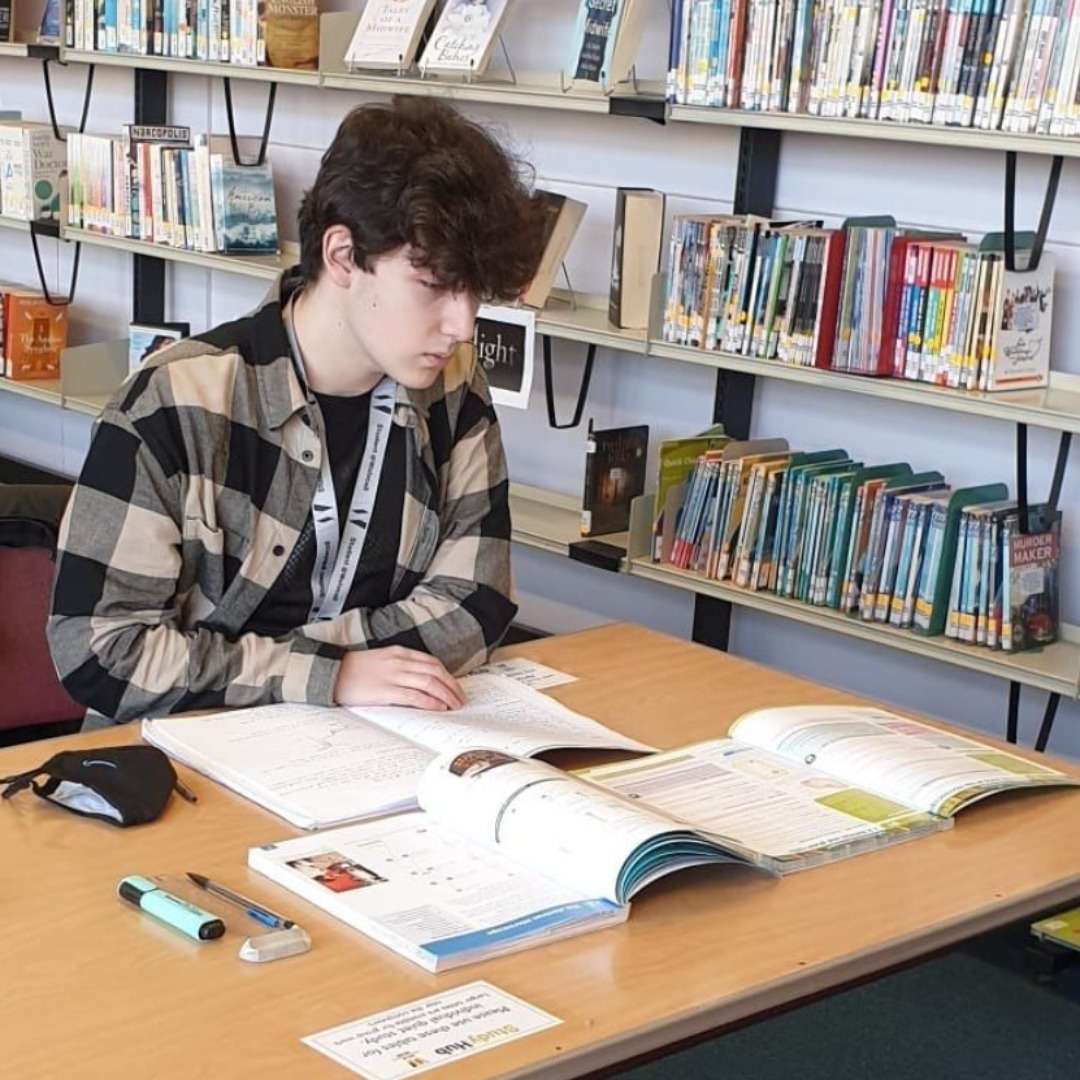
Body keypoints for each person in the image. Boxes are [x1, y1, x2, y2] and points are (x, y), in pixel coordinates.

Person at [48, 96, 549, 727]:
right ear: (342, 257)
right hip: (184, 757)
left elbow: (476, 604)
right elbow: (99, 652)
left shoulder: (454, 388)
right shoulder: (175, 402)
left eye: (474, 292)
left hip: (368, 743)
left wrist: (335, 681)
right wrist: (328, 676)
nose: (462, 322)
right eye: (435, 285)